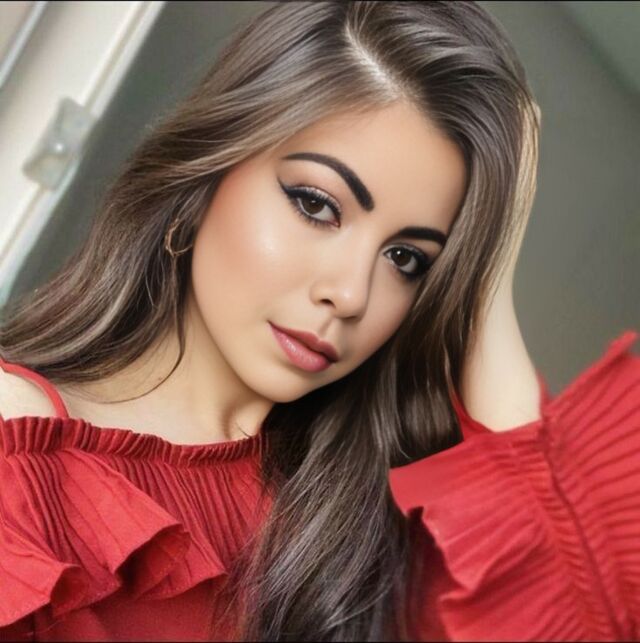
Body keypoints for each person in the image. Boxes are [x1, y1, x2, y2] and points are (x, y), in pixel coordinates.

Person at [0, 1, 637, 641]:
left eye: (406, 259)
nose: (351, 294)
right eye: (316, 205)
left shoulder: (371, 526)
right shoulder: (22, 464)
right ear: (207, 172)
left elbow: (591, 619)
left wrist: (485, 278)